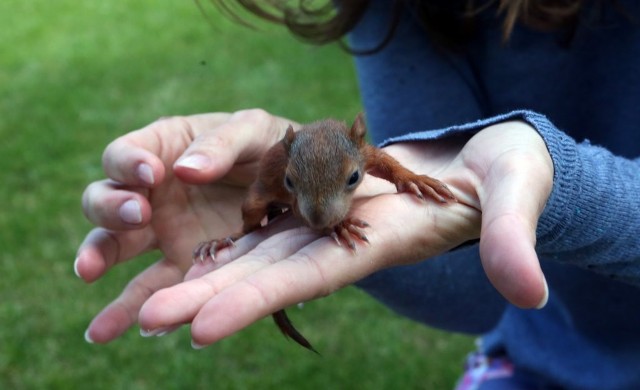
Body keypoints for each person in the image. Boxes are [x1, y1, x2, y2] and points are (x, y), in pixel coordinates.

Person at [75, 1, 640, 388]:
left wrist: (566, 189)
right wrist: (379, 240)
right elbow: (474, 293)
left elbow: (387, 168)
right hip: (545, 357)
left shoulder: (367, 155)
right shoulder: (392, 13)